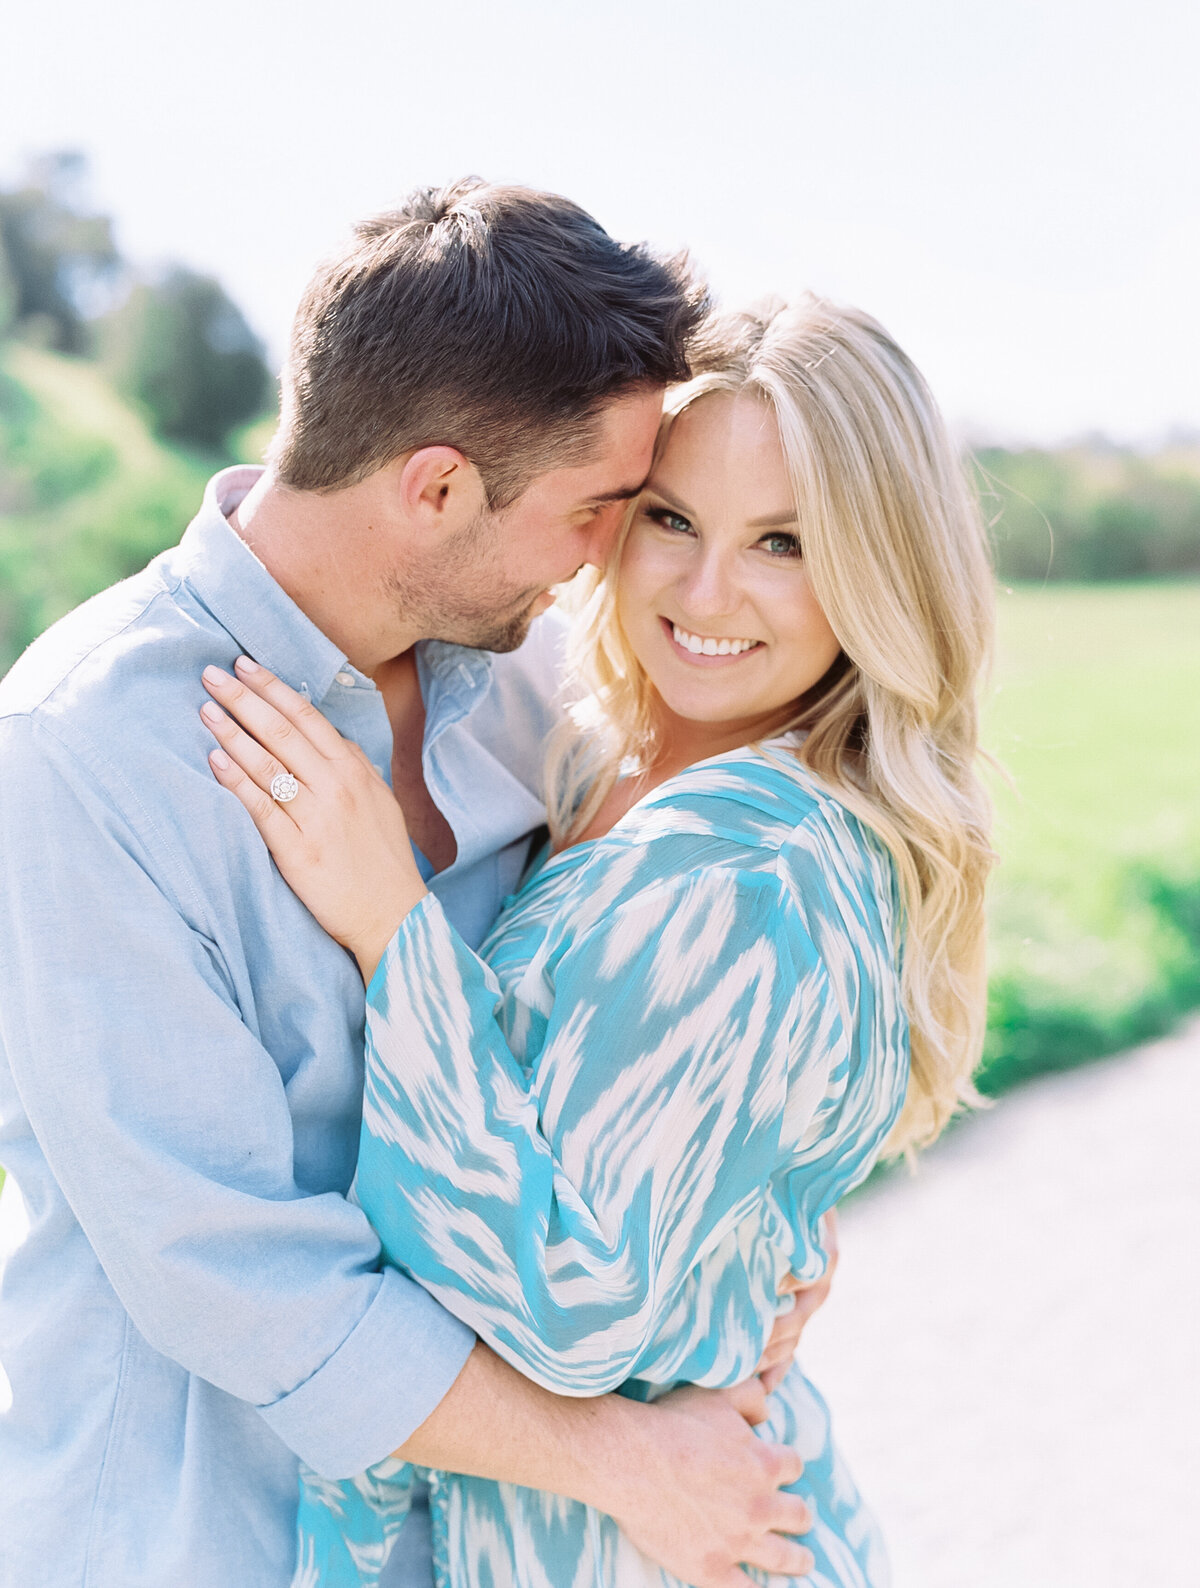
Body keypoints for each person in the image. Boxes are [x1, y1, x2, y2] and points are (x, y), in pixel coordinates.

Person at [0, 183, 820, 1588]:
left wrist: (748, 1239)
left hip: (490, 1544)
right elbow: (232, 1275)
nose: (611, 556)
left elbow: (612, 1042)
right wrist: (626, 1462)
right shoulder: (81, 758)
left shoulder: (533, 684)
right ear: (437, 487)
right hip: (202, 1538)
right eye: (599, 509)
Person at [199, 294, 997, 1587]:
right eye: (672, 519)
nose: (707, 590)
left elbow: (568, 1307)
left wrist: (395, 935)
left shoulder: (749, 866)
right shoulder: (610, 761)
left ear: (880, 565)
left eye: (785, 543)